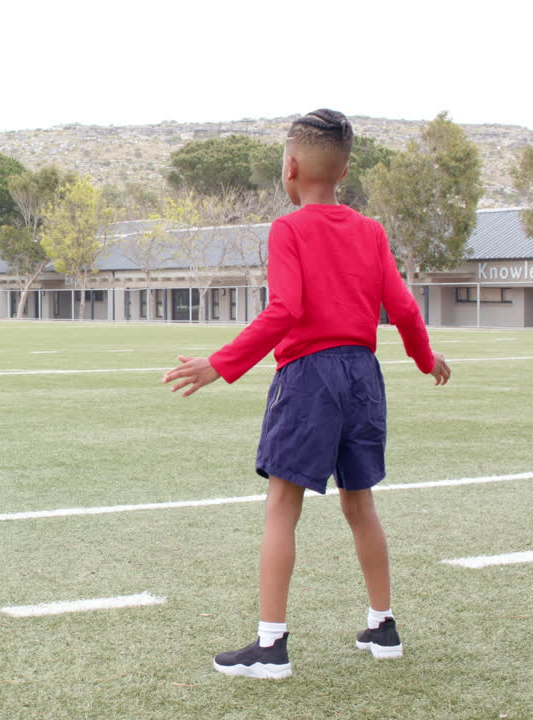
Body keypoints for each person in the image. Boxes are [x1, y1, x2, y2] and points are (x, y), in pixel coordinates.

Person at [161, 109, 452, 680]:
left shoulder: (288, 229)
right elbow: (405, 307)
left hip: (309, 379)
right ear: (343, 171)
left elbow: (287, 309)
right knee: (360, 503)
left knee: (282, 507)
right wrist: (425, 359)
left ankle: (271, 646)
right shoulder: (371, 231)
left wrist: (220, 364)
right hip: (363, 376)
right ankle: (383, 626)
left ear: (290, 167)